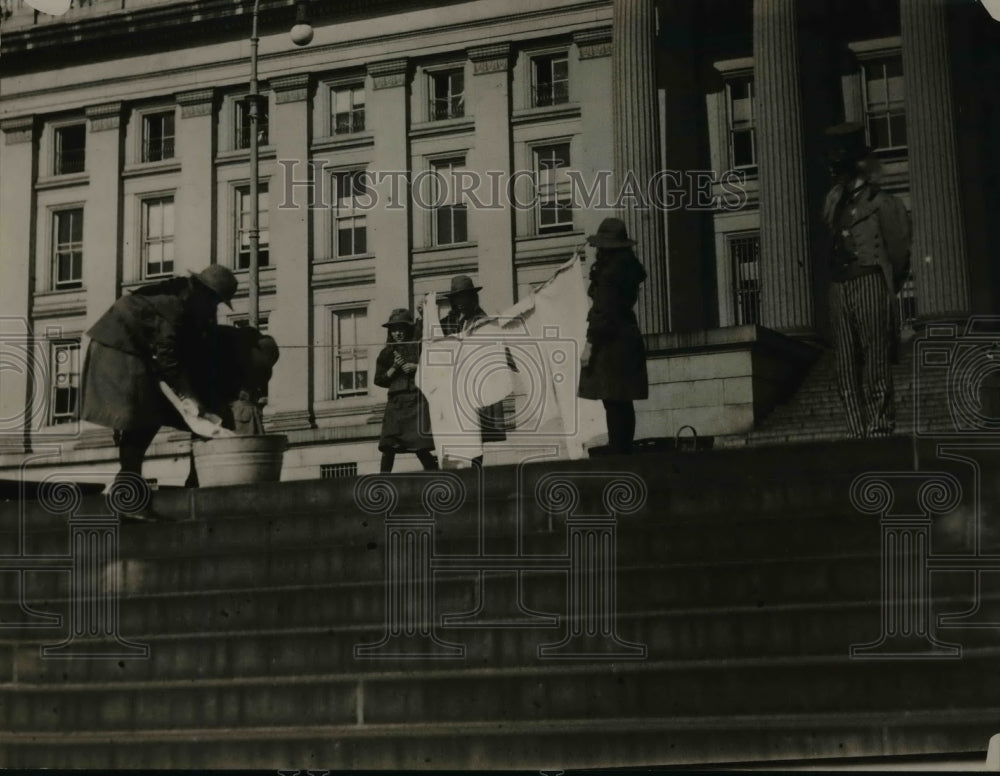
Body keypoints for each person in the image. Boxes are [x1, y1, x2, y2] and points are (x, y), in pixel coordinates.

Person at [81, 265, 238, 507]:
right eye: (215, 302)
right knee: (141, 415)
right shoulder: (175, 305)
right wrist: (191, 397)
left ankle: (134, 489)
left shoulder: (183, 299)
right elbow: (168, 358)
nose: (213, 309)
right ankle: (128, 495)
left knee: (148, 415)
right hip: (119, 351)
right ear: (204, 293)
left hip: (127, 350)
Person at [821, 122, 912, 439]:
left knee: (875, 357)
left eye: (840, 162)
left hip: (870, 279)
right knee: (844, 364)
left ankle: (879, 425)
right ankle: (856, 431)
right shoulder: (834, 202)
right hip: (839, 285)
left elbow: (899, 252)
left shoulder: (884, 203)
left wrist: (886, 284)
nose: (835, 169)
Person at [577, 217, 649, 455]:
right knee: (622, 399)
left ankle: (618, 449)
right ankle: (622, 447)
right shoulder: (627, 268)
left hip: (610, 342)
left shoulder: (609, 273)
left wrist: (589, 346)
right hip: (627, 336)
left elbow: (602, 312)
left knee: (612, 398)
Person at [438, 275, 509, 467]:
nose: (460, 303)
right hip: (454, 384)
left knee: (476, 433)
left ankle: (477, 473)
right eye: (456, 298)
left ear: (472, 298)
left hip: (476, 384)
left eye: (464, 298)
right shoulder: (446, 323)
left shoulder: (483, 321)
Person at [373, 308, 439, 473]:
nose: (398, 333)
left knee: (420, 447)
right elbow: (379, 379)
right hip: (396, 405)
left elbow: (435, 367)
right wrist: (394, 368)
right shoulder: (387, 353)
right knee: (388, 446)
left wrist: (416, 367)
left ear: (408, 329)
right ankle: (383, 483)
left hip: (416, 402)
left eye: (401, 329)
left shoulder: (419, 346)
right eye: (394, 330)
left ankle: (437, 477)